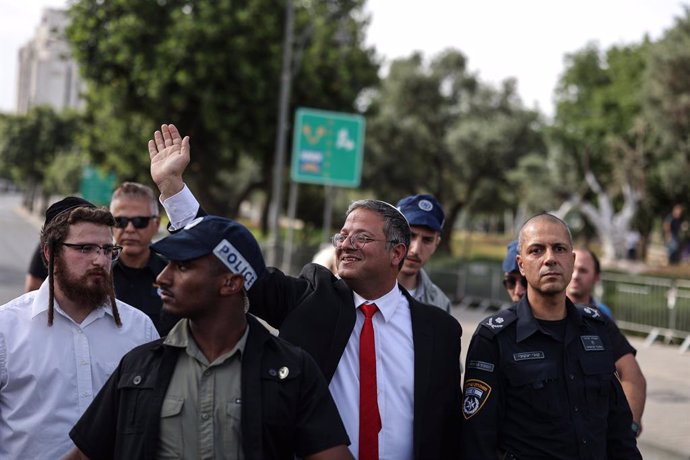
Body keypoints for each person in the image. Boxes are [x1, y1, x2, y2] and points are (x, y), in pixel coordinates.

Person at [148, 124, 463, 459]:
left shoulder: (439, 330)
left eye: (362, 238)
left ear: (396, 254)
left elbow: (449, 427)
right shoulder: (312, 298)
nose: (346, 245)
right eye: (343, 236)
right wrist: (174, 190)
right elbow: (234, 260)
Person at [66, 215, 352, 460]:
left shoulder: (293, 372)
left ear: (230, 282)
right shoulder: (138, 367)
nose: (162, 278)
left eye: (183, 266)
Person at [461, 213, 641, 459]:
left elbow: (619, 431)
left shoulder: (596, 328)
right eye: (536, 250)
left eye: (559, 249)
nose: (550, 259)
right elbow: (477, 441)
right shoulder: (494, 338)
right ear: (521, 264)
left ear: (572, 259)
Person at [0, 197, 158, 459]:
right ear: (50, 253)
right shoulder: (6, 328)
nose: (100, 260)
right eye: (85, 248)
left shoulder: (139, 329)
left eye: (108, 250)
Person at [567, 248, 647, 436]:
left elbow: (631, 375)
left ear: (596, 278)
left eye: (583, 270)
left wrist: (631, 425)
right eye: (573, 268)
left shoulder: (601, 317)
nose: (576, 276)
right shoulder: (539, 313)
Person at [110, 181, 178, 335]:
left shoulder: (173, 276)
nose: (129, 229)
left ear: (156, 224)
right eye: (120, 221)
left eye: (139, 222)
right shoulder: (96, 274)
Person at [395, 194, 452, 312]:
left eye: (427, 240)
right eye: (410, 236)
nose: (415, 250)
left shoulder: (440, 303)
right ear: (392, 233)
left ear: (436, 244)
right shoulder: (361, 287)